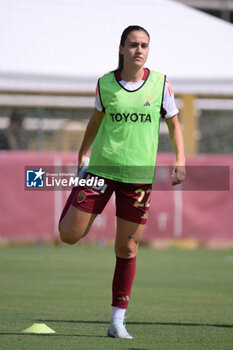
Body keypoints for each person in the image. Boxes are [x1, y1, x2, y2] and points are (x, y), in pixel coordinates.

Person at [59, 25, 186, 339]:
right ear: (121, 48)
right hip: (101, 172)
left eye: (144, 45)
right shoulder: (105, 84)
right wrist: (83, 151)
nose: (139, 50)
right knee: (69, 235)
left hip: (138, 178)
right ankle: (77, 195)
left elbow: (174, 124)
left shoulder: (160, 84)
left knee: (127, 248)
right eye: (133, 45)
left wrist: (181, 159)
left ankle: (117, 321)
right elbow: (96, 120)